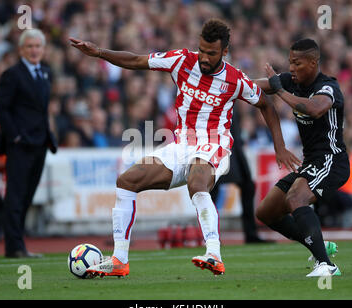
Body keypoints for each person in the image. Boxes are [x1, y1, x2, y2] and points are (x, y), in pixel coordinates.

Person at [70, 19, 300, 277]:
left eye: (211, 53)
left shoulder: (234, 79)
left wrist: (279, 146)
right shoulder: (181, 60)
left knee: (196, 182)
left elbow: (266, 105)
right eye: (201, 50)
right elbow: (136, 60)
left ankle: (214, 253)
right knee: (126, 181)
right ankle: (119, 260)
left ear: (224, 52)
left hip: (215, 144)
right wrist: (100, 52)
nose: (203, 57)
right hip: (181, 145)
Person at [254, 39, 349, 277]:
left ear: (313, 62)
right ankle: (315, 243)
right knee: (266, 212)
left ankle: (326, 265)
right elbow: (250, 86)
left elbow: (314, 108)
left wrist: (280, 90)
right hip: (310, 162)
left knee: (296, 197)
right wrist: (221, 83)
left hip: (331, 160)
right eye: (290, 63)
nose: (292, 68)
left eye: (297, 63)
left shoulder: (328, 87)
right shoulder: (289, 82)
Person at [0, 29, 57, 258]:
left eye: (38, 46)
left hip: (40, 143)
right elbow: (1, 110)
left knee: (27, 195)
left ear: (43, 49)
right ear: (21, 49)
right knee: (16, 195)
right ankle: (14, 247)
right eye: (29, 46)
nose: (34, 50)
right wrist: (16, 136)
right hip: (21, 145)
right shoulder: (12, 75)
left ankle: (19, 245)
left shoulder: (45, 73)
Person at [210, 104, 271, 243]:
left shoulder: (231, 100)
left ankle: (250, 234)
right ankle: (210, 235)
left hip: (235, 147)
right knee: (213, 191)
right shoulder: (219, 96)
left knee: (247, 187)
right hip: (220, 147)